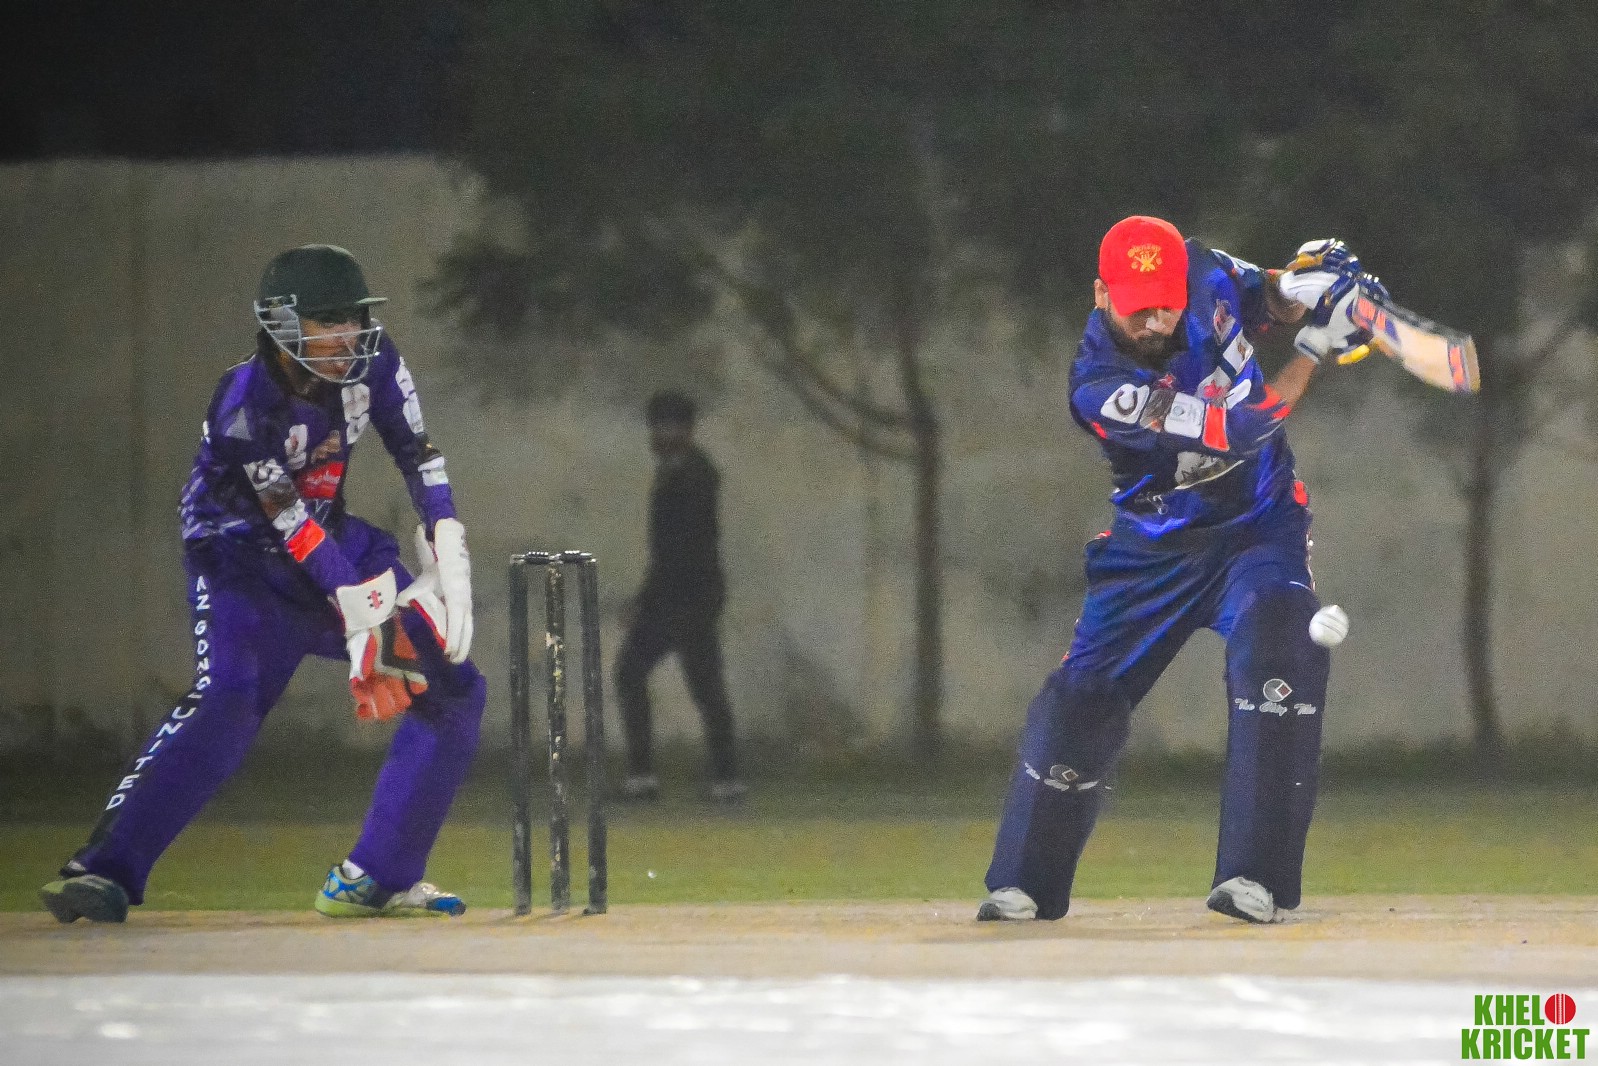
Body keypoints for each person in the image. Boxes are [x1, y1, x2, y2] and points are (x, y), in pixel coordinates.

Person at [40, 244, 486, 923]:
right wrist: (358, 605)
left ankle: (376, 877)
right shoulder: (243, 404)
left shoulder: (376, 363)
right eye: (327, 322)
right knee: (228, 699)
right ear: (281, 325)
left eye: (353, 319)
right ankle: (103, 869)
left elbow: (416, 453)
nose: (346, 338)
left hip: (331, 540)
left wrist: (446, 534)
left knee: (451, 686)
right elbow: (288, 522)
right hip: (239, 565)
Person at [978, 216, 1384, 924]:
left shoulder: (1204, 267)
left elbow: (1268, 297)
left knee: (1281, 645)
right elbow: (1241, 429)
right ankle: (1026, 883)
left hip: (1258, 527)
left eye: (1164, 303)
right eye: (1137, 306)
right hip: (1153, 551)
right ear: (1101, 294)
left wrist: (1308, 283)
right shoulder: (1098, 385)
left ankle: (1255, 878)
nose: (1155, 319)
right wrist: (1317, 347)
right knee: (1079, 700)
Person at [614, 390, 745, 803]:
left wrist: (645, 601)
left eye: (665, 426)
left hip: (686, 598)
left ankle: (663, 776)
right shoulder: (682, 472)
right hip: (687, 597)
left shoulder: (692, 476)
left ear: (684, 430)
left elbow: (679, 549)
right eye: (656, 426)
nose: (658, 435)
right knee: (697, 683)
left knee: (672, 678)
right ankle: (719, 778)